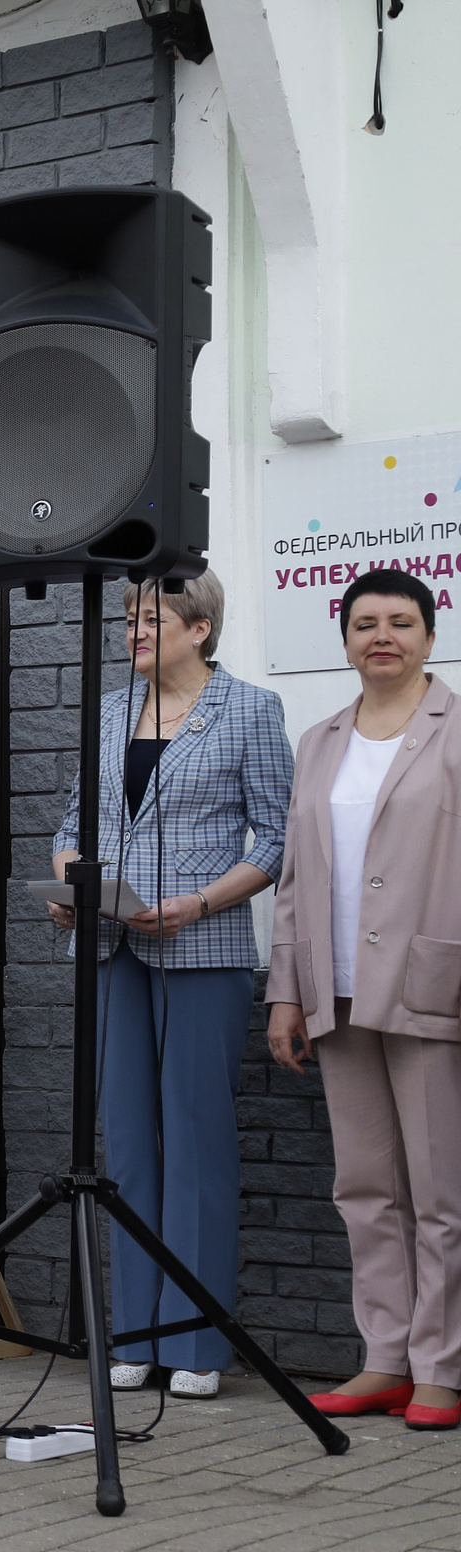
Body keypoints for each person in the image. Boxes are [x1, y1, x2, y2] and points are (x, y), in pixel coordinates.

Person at [44, 571, 288, 1400]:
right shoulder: (110, 711)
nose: (134, 631)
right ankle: (137, 1333)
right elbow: (73, 824)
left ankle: (196, 1342)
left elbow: (277, 839)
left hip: (203, 945)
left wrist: (201, 902)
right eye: (128, 618)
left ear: (200, 627)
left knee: (196, 1140)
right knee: (125, 1140)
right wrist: (70, 882)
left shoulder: (250, 710)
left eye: (151, 617)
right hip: (110, 942)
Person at [269, 568, 461, 1430]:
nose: (382, 635)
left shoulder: (455, 729)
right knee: (364, 1185)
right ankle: (385, 1356)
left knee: (440, 1191)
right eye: (365, 623)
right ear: (345, 640)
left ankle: (441, 1366)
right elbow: (294, 877)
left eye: (401, 621)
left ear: (430, 635)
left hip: (431, 985)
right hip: (336, 993)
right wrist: (287, 993)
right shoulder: (320, 740)